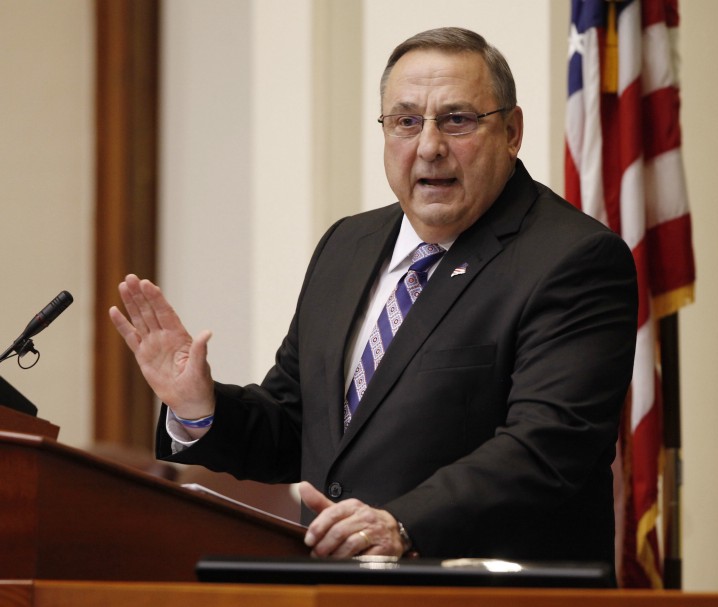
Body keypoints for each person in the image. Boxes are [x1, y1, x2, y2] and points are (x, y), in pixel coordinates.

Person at [110, 27, 637, 569]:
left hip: (487, 596)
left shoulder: (574, 259)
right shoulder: (348, 246)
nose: (429, 147)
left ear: (511, 131)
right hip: (335, 589)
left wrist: (402, 524)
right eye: (406, 121)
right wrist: (199, 407)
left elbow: (546, 448)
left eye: (457, 120)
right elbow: (297, 426)